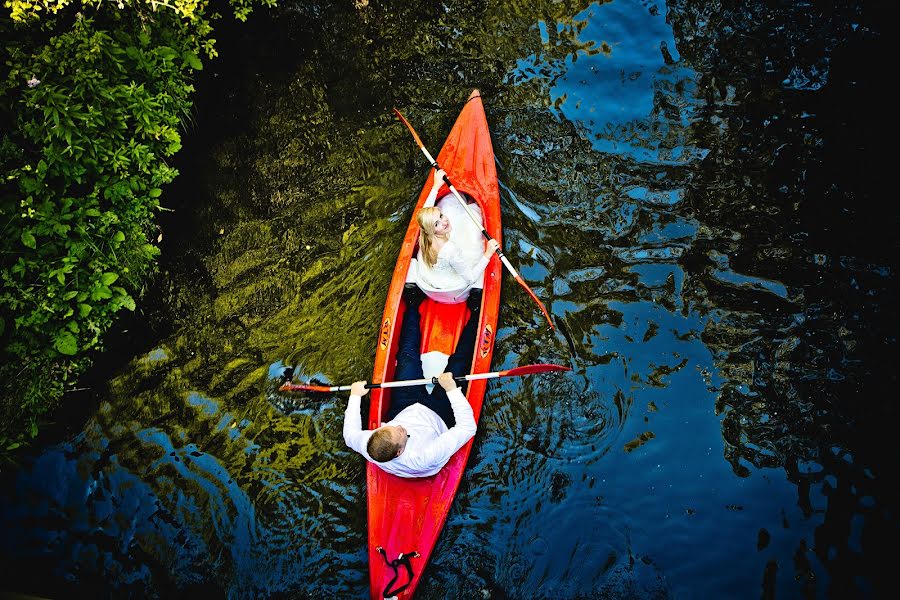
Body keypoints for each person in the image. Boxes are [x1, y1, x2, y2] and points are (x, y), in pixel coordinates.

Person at [342, 290, 481, 478]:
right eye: (400, 431)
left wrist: (355, 395)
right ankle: (476, 314)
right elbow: (468, 428)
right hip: (438, 415)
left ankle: (413, 304)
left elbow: (350, 435)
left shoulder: (367, 444)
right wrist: (452, 390)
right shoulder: (426, 455)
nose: (398, 426)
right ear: (399, 451)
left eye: (387, 427)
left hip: (404, 407)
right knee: (459, 364)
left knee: (407, 356)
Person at [408, 169, 500, 303]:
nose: (444, 221)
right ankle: (475, 308)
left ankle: (414, 300)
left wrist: (436, 186)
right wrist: (488, 253)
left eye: (440, 216)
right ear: (431, 229)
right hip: (454, 290)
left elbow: (425, 212)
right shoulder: (449, 249)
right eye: (437, 224)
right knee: (480, 271)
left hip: (430, 282)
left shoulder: (425, 232)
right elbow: (471, 278)